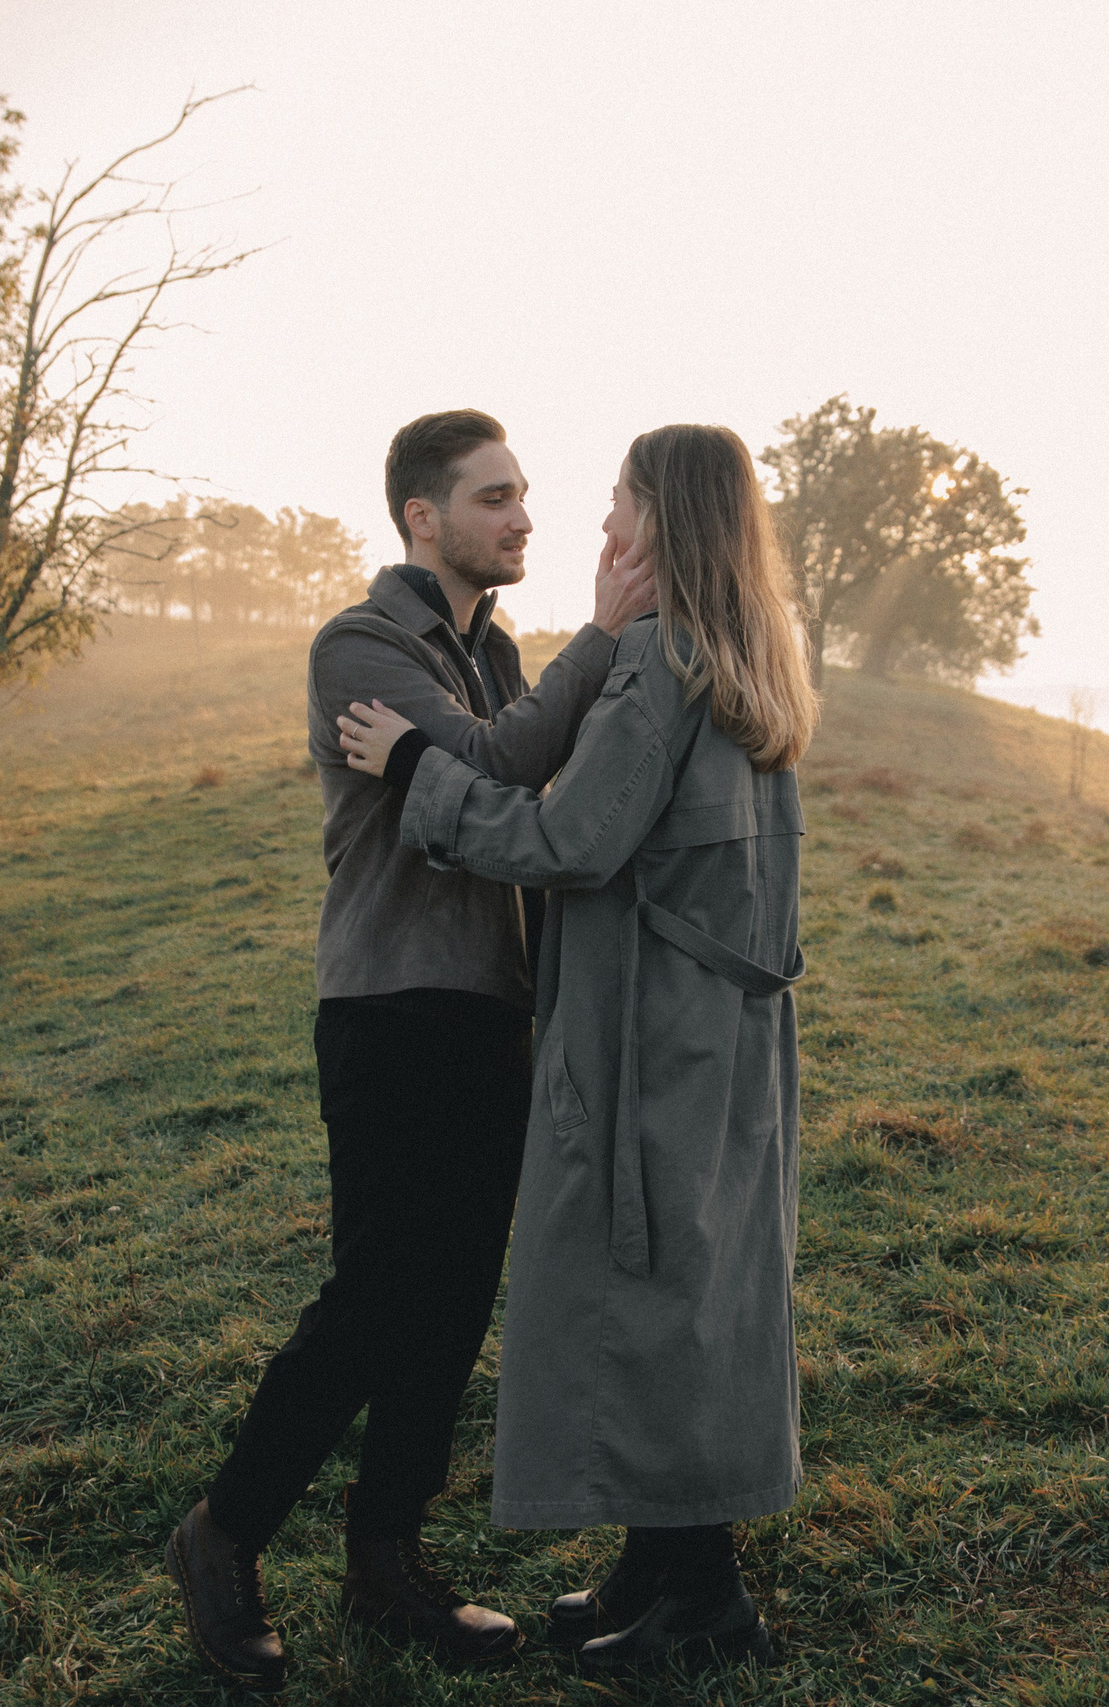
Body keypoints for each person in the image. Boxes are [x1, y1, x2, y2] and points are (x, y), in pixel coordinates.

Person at [162, 409, 657, 1694]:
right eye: (495, 498)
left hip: (489, 1009)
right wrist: (601, 643)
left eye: (526, 495)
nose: (525, 518)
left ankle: (386, 1563)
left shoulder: (498, 657)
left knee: (446, 1309)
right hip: (386, 1011)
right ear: (422, 518)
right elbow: (496, 768)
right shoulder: (362, 646)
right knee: (376, 1296)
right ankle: (224, 1533)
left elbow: (514, 785)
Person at [336, 422, 818, 1676]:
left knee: (648, 1288)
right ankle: (656, 1568)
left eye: (618, 505)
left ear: (666, 525)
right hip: (731, 1039)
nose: (597, 529)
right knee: (687, 1287)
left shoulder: (661, 661)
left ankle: (698, 1599)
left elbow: (569, 844)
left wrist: (414, 773)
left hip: (648, 1028)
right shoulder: (758, 655)